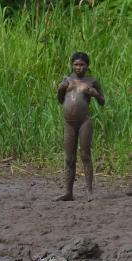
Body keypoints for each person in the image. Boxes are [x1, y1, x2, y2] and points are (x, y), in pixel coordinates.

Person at [55, 52, 105, 202]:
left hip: (84, 122)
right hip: (69, 123)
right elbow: (60, 100)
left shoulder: (92, 81)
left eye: (82, 64)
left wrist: (95, 94)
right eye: (76, 64)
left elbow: (102, 102)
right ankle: (68, 192)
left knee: (85, 155)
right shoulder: (67, 80)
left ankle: (89, 192)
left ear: (87, 66)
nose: (78, 67)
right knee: (69, 158)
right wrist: (60, 89)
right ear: (72, 65)